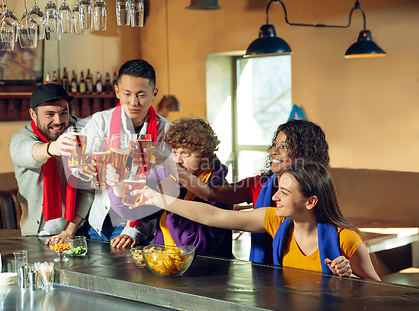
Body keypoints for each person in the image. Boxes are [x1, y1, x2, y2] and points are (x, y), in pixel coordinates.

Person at [140, 163, 381, 280]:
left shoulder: (346, 240)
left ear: (310, 202)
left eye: (284, 193)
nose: (274, 196)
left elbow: (379, 294)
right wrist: (158, 199)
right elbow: (213, 216)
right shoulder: (274, 221)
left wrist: (350, 279)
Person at [146, 119, 330, 264]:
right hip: (264, 274)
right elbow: (211, 198)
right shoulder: (260, 185)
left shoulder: (316, 193)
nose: (274, 151)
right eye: (274, 144)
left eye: (283, 146)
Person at [72, 59, 172, 243]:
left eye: (141, 94)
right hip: (100, 223)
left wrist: (132, 230)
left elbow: (165, 186)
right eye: (127, 93)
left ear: (154, 93)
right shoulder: (100, 121)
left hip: (140, 226)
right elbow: (79, 166)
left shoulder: (167, 131)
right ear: (117, 91)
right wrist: (83, 167)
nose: (133, 102)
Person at [108, 117, 234, 258]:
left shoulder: (219, 189)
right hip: (165, 265)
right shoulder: (165, 174)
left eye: (185, 153)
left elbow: (198, 248)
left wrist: (169, 200)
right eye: (175, 152)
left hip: (208, 273)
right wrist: (119, 188)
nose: (178, 160)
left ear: (206, 155)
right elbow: (133, 211)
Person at [9, 83, 93, 237]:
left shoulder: (82, 131)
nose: (58, 120)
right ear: (33, 115)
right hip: (36, 233)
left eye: (63, 112)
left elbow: (87, 190)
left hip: (78, 231)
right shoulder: (21, 138)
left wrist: (69, 232)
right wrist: (52, 148)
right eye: (49, 114)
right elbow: (27, 152)